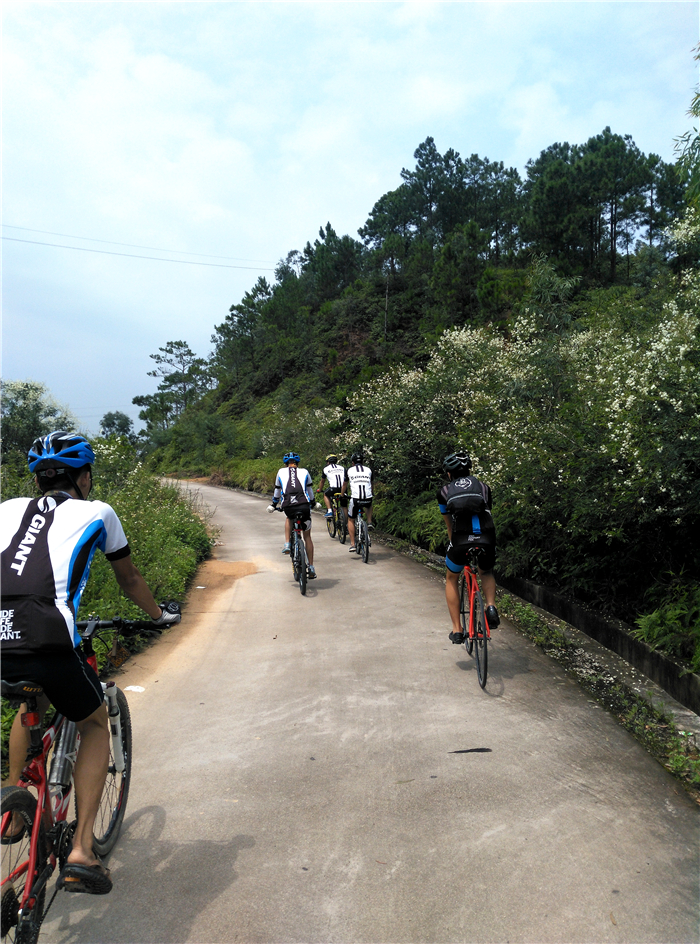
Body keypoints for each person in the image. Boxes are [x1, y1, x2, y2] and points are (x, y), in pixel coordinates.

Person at [0, 431, 182, 896]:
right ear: (83, 477)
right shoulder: (98, 512)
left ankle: (12, 810)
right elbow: (130, 578)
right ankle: (82, 850)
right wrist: (159, 616)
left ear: (38, 479)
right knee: (95, 723)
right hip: (49, 636)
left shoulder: (5, 509)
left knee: (29, 700)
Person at [437, 451, 500, 644]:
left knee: (451, 578)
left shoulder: (444, 492)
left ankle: (457, 629)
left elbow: (449, 525)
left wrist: (454, 545)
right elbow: (487, 512)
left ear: (449, 474)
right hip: (486, 538)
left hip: (461, 540)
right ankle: (490, 606)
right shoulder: (484, 487)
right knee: (486, 571)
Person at [267, 451, 316, 578]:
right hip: (304, 506)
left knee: (289, 518)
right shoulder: (305, 471)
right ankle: (311, 567)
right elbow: (309, 490)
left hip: (289, 506)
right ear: (297, 463)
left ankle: (287, 543)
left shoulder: (280, 472)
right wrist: (313, 503)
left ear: (286, 464)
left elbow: (277, 491)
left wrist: (274, 504)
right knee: (307, 537)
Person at [342, 451, 374, 553]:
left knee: (350, 520)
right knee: (369, 503)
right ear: (363, 462)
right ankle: (369, 522)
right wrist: (372, 493)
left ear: (353, 462)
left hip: (355, 499)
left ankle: (352, 544)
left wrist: (342, 494)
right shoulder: (368, 470)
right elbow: (371, 484)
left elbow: (345, 484)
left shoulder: (349, 470)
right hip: (368, 498)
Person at [317, 453, 346, 519]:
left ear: (328, 462)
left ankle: (330, 511)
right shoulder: (342, 468)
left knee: (325, 494)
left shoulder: (326, 469)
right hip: (343, 489)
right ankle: (346, 523)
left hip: (333, 489)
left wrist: (320, 489)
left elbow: (322, 481)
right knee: (344, 506)